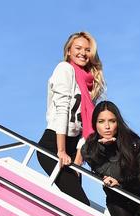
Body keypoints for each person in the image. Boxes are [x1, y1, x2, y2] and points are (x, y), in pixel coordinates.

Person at [37, 31, 105, 205]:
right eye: (78, 48)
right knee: (81, 204)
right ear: (68, 51)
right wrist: (61, 150)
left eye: (87, 49)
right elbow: (63, 110)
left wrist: (77, 159)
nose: (83, 52)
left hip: (74, 147)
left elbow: (86, 126)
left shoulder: (90, 84)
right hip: (55, 143)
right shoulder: (65, 69)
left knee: (77, 204)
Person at [80, 101, 140, 216]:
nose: (107, 126)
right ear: (95, 124)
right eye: (101, 121)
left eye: (112, 121)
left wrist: (122, 182)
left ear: (117, 122)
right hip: (117, 198)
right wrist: (107, 149)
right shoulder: (89, 149)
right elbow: (106, 172)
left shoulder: (134, 143)